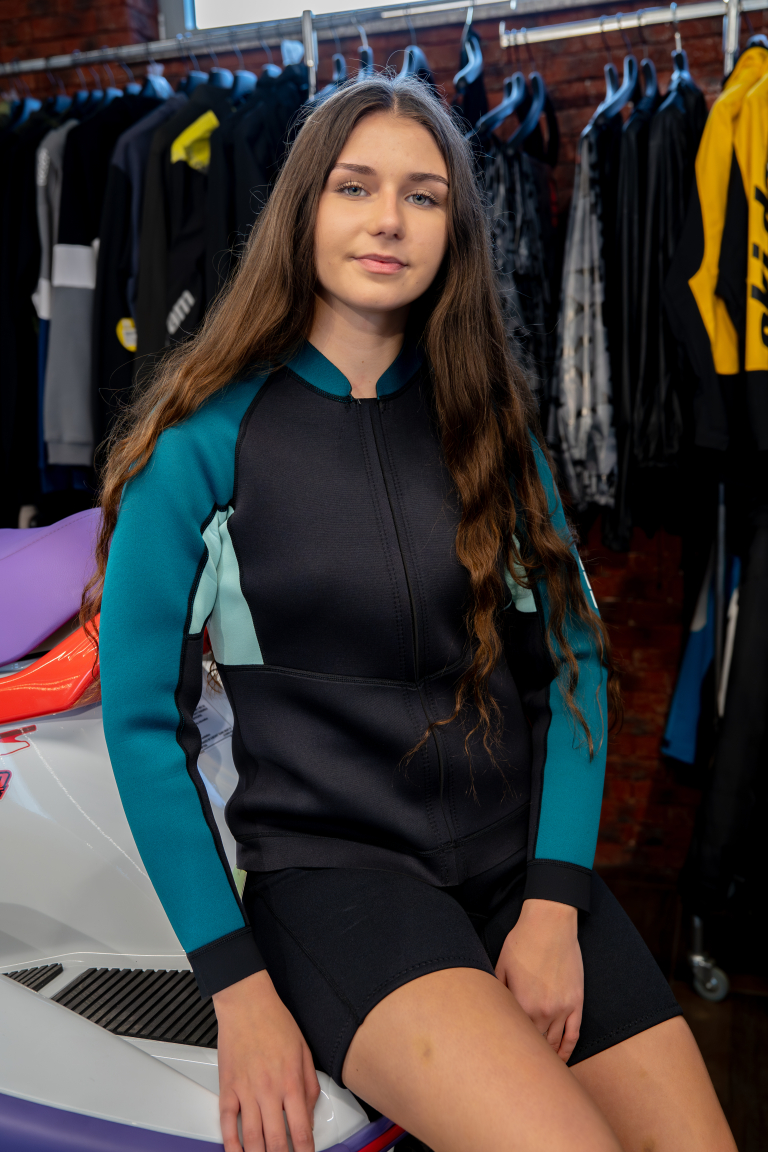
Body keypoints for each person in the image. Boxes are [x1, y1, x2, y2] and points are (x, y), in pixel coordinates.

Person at [89, 77, 736, 1152]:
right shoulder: (200, 445)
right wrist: (238, 988)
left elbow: (575, 662)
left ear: (455, 231)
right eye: (355, 187)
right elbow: (142, 726)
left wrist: (553, 904)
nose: (388, 219)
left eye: (423, 195)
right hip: (341, 887)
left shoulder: (488, 429)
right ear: (303, 210)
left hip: (513, 869)